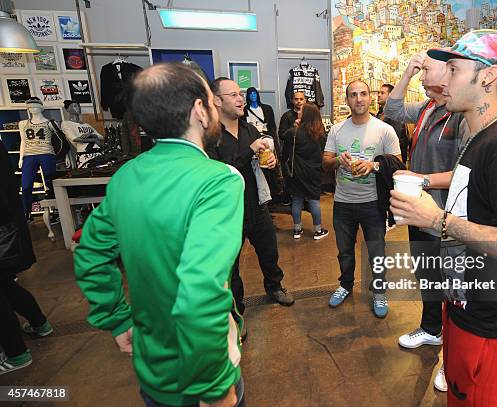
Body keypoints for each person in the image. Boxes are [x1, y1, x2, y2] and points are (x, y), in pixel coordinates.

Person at [390, 30, 497, 407]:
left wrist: (439, 221)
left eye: (453, 69)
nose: (442, 80)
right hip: (463, 302)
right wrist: (426, 182)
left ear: (488, 76)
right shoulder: (477, 139)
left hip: (492, 318)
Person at [74, 63, 245, 407]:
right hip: (202, 377)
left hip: (152, 369)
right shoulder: (218, 180)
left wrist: (117, 318)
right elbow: (200, 292)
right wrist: (215, 388)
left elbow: (90, 252)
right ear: (200, 111)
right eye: (211, 102)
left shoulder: (126, 176)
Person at [384, 50, 469, 392]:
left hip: (443, 215)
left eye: (425, 68)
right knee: (427, 275)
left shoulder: (460, 116)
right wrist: (406, 72)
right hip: (418, 212)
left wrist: (421, 179)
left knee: (452, 286)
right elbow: (391, 110)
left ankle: (454, 361)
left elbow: (464, 174)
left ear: (449, 73)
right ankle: (431, 330)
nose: (420, 73)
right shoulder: (427, 108)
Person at [207, 77, 295, 318]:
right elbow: (220, 172)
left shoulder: (250, 129)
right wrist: (250, 150)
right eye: (233, 95)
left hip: (257, 205)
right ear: (216, 100)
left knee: (269, 251)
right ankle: (237, 310)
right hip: (228, 213)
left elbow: (260, 161)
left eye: (240, 94)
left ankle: (275, 287)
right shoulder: (210, 136)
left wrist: (270, 162)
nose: (240, 99)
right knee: (231, 266)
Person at [322, 80, 401, 319]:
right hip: (343, 203)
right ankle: (346, 284)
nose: (358, 99)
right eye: (353, 95)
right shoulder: (337, 130)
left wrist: (373, 165)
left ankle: (379, 290)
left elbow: (397, 163)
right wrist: (339, 161)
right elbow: (326, 162)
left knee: (376, 251)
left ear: (371, 97)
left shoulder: (384, 129)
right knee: (344, 251)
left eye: (363, 94)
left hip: (373, 203)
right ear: (347, 101)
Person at [0, 139, 53, 376]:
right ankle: (40, 323)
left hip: (3, 225)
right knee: (5, 284)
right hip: (8, 223)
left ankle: (16, 353)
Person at [280, 102, 329, 240]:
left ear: (305, 115)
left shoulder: (294, 132)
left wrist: (295, 125)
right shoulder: (320, 133)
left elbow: (283, 137)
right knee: (314, 200)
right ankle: (318, 231)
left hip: (296, 172)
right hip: (314, 172)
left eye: (302, 110)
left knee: (296, 200)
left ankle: (297, 229)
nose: (299, 111)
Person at [376, 84, 409, 163]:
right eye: (378, 93)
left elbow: (396, 139)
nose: (379, 95)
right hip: (383, 160)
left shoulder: (394, 115)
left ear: (390, 95)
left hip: (392, 162)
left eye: (382, 93)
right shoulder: (381, 113)